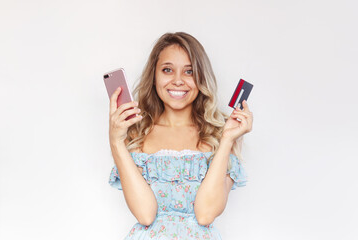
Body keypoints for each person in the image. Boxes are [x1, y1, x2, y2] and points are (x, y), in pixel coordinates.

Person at [108, 32, 253, 239]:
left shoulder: (220, 135)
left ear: (201, 77)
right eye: (167, 70)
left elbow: (205, 215)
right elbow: (145, 215)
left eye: (189, 71)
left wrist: (227, 140)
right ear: (154, 76)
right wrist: (116, 142)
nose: (177, 81)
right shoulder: (137, 134)